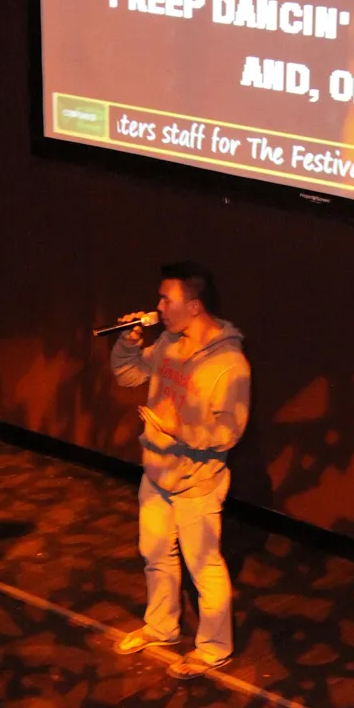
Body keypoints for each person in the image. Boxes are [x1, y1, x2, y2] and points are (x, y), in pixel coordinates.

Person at [109, 261, 250, 679]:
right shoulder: (169, 342)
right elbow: (128, 375)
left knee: (204, 567)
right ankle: (161, 627)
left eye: (165, 299)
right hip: (156, 472)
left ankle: (214, 649)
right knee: (155, 555)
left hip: (197, 483)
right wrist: (128, 343)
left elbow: (230, 431)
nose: (158, 307)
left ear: (193, 305)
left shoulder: (229, 364)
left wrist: (179, 428)